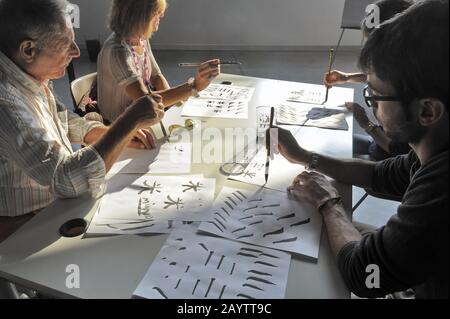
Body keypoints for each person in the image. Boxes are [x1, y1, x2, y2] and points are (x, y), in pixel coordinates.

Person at [270, 0, 448, 298]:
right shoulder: (435, 143)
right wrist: (305, 156)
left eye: (376, 95)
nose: (372, 104)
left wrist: (329, 203)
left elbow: (365, 275)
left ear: (427, 111)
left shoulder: (441, 188)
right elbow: (384, 174)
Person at [0, 0, 165, 241]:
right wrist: (128, 122)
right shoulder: (6, 101)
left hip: (54, 206)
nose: (77, 52)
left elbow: (62, 119)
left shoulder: (27, 76)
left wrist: (106, 132)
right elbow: (66, 180)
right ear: (28, 50)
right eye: (66, 43)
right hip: (22, 227)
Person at [97, 0, 221, 125]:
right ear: (139, 16)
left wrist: (176, 105)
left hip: (138, 116)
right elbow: (146, 101)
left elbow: (156, 77)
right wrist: (194, 86)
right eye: (157, 13)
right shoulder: (117, 51)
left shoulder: (140, 39)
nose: (161, 16)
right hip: (116, 127)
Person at [324, 0, 413, 161]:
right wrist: (348, 77)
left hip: (388, 159)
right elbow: (380, 78)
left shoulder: (415, 90)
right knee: (329, 146)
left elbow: (396, 151)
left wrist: (367, 125)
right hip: (378, 143)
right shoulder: (399, 63)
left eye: (375, 45)